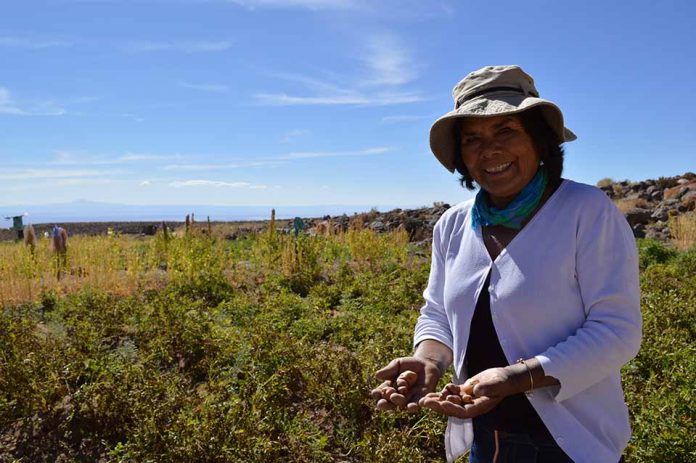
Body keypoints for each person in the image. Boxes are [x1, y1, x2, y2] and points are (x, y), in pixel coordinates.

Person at [370, 65, 641, 463]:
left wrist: (516, 378)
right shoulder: (453, 225)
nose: (489, 150)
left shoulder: (585, 211)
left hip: (572, 444)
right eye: (473, 139)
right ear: (461, 156)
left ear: (539, 139)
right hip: (486, 439)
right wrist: (428, 362)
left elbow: (616, 331)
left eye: (506, 131)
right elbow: (438, 313)